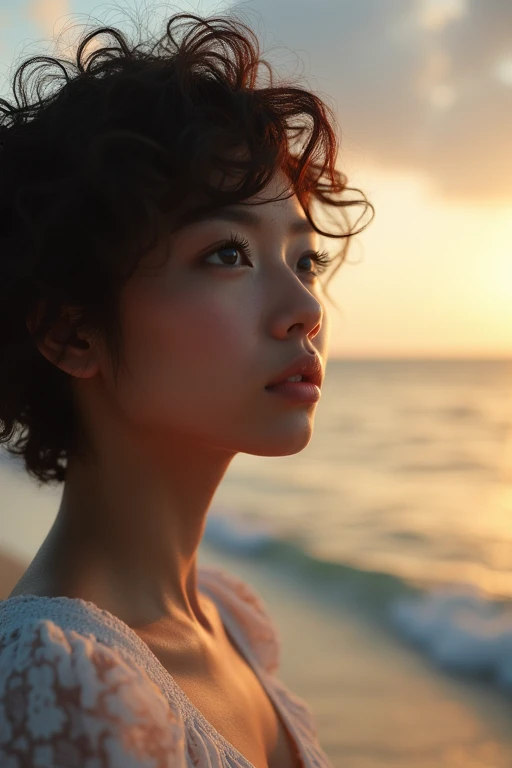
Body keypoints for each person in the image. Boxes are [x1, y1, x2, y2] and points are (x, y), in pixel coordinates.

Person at [0, 10, 372, 767]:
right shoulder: (64, 679)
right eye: (228, 253)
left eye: (304, 262)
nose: (305, 312)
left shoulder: (231, 621)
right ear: (72, 333)